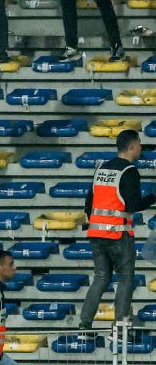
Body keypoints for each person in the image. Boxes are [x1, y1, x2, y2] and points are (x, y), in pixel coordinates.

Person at [80, 130, 153, 330]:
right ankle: (120, 326)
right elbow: (133, 205)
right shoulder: (129, 171)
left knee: (101, 278)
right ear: (131, 146)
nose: (140, 147)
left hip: (96, 235)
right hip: (118, 235)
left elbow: (89, 203)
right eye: (138, 143)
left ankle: (84, 324)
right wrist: (153, 196)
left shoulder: (102, 169)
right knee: (125, 279)